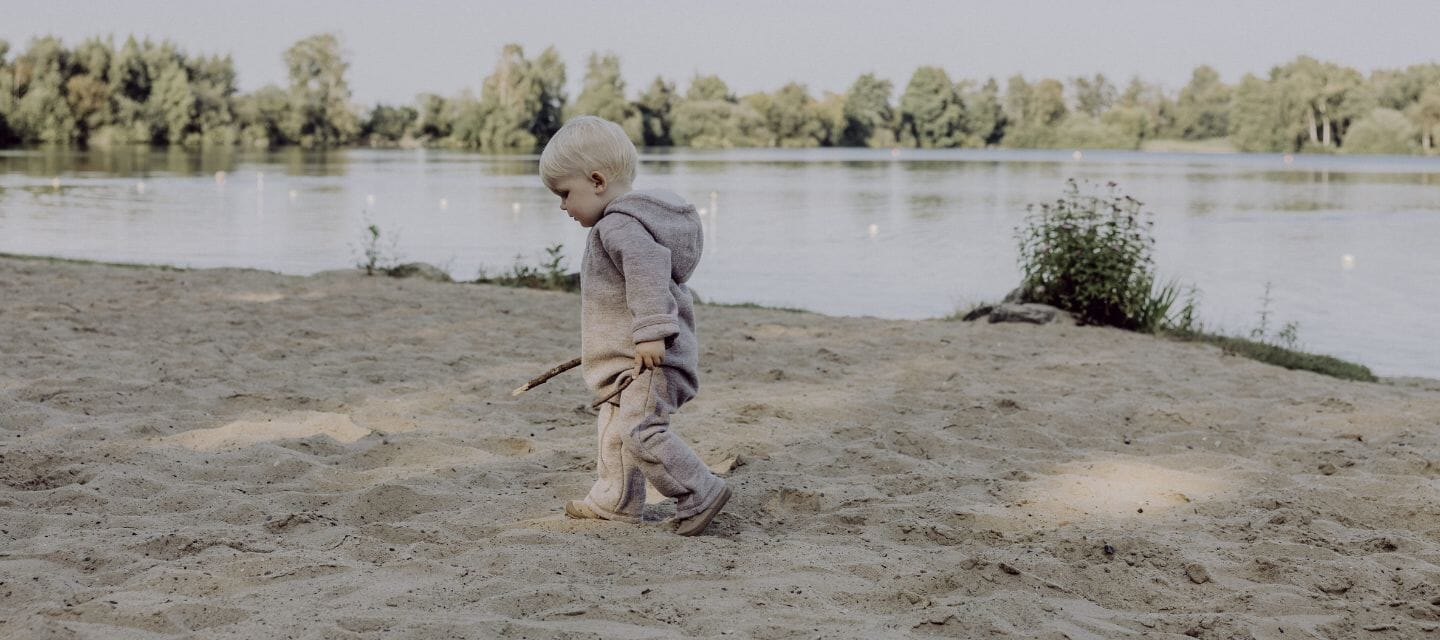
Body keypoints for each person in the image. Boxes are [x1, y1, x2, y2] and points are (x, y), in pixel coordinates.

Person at [538, 116, 730, 536]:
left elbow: (648, 271)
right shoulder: (623, 222)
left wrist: (651, 331)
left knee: (640, 430)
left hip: (650, 355)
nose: (563, 206)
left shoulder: (619, 224)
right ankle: (615, 502)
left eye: (565, 193)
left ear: (597, 180)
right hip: (630, 357)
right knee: (613, 427)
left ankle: (698, 490)